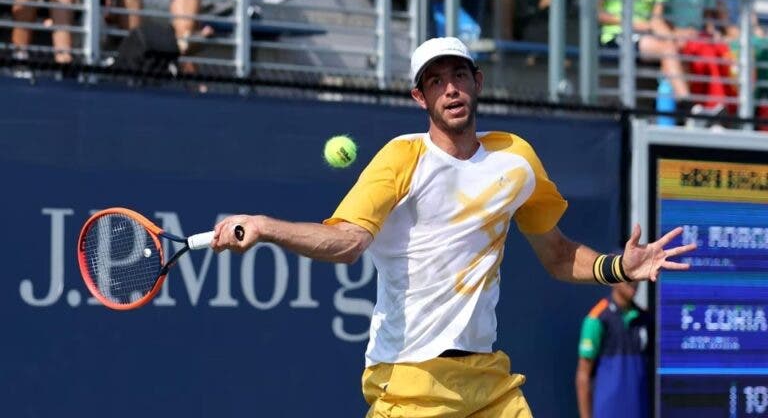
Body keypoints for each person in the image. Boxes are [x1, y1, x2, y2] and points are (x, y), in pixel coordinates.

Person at [210, 36, 697, 416]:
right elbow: (347, 242)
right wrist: (265, 226)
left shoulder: (516, 159)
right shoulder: (401, 159)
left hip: (486, 381)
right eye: (436, 80)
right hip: (409, 378)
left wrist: (618, 266)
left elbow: (557, 253)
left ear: (477, 82)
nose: (451, 88)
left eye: (459, 75)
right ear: (419, 97)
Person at [597, 0, 693, 104]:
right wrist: (630, 23)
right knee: (667, 50)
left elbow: (657, 21)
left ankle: (684, 111)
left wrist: (672, 39)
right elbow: (597, 13)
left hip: (645, 36)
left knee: (679, 48)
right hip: (616, 36)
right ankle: (688, 106)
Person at [575, 282, 650, 418]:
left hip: (639, 411)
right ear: (613, 279)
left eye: (635, 277)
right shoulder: (596, 319)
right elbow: (583, 375)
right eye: (627, 275)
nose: (633, 282)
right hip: (608, 412)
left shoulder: (645, 318)